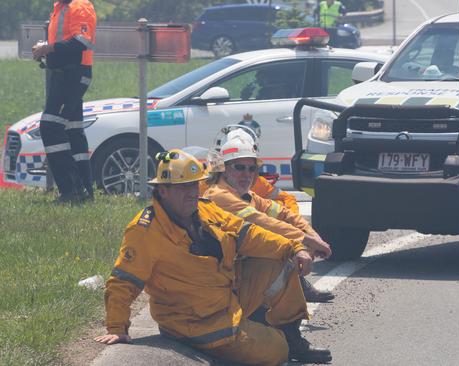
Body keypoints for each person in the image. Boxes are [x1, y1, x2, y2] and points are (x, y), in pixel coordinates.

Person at [94, 149, 332, 365]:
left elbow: (250, 233)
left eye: (193, 186)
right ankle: (267, 338)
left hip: (225, 299)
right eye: (182, 187)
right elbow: (123, 281)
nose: (190, 193)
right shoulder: (145, 231)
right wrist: (117, 327)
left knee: (280, 260)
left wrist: (294, 247)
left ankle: (290, 336)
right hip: (198, 322)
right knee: (278, 350)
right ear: (163, 191)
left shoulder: (204, 207)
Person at [203, 128, 336, 303]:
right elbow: (263, 222)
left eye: (252, 169)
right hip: (219, 276)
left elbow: (284, 213)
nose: (247, 174)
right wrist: (304, 242)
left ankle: (278, 313)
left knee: (284, 249)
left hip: (234, 268)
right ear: (224, 169)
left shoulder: (246, 194)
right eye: (240, 167)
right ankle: (264, 311)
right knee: (279, 257)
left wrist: (313, 236)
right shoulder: (219, 194)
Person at [32, 0, 97, 203]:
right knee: (72, 130)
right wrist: (48, 52)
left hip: (73, 75)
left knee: (50, 127)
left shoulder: (80, 6)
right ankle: (85, 191)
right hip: (64, 75)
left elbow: (81, 42)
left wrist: (48, 48)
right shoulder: (60, 7)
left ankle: (72, 190)